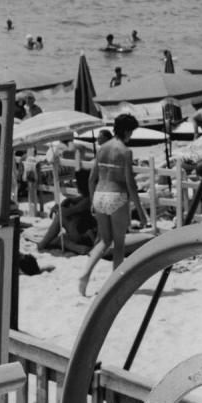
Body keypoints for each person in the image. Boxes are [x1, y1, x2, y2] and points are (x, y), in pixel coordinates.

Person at [78, 114, 146, 296]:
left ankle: (85, 274)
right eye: (131, 131)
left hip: (100, 194)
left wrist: (93, 201)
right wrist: (140, 210)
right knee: (119, 244)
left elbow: (92, 179)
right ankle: (115, 285)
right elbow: (130, 184)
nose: (132, 135)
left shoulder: (102, 149)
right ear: (126, 130)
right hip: (116, 196)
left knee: (104, 240)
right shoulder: (125, 151)